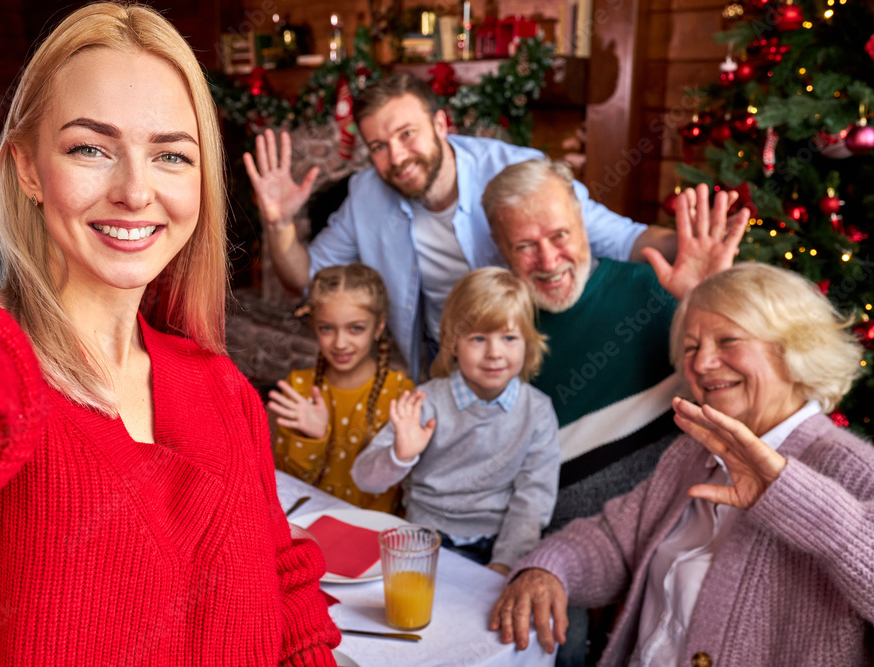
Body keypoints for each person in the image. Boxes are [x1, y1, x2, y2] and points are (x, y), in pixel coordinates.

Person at [0, 4, 339, 665]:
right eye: (90, 148)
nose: (134, 189)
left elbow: (283, 582)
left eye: (171, 154)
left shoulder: (224, 388)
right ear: (28, 169)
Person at [489, 262, 874, 666]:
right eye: (691, 347)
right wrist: (549, 569)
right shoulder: (693, 453)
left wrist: (790, 496)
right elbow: (613, 542)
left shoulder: (852, 467)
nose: (703, 363)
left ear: (794, 348)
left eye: (728, 340)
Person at [243, 73, 680, 379]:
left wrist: (688, 244)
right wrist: (280, 223)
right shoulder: (365, 195)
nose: (396, 157)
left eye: (407, 134)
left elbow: (623, 238)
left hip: (525, 357)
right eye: (379, 145)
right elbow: (305, 280)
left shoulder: (517, 171)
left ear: (440, 124)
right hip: (436, 364)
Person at [483, 158, 745, 664]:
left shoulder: (656, 291)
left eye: (560, 234)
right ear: (501, 250)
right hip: (551, 545)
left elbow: (739, 405)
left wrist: (704, 303)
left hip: (662, 527)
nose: (549, 259)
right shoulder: (498, 325)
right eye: (524, 246)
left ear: (585, 225)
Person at [352, 267, 560, 575]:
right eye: (478, 338)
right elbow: (363, 478)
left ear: (527, 343)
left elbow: (533, 501)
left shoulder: (538, 412)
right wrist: (401, 455)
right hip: (423, 537)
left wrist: (505, 562)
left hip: (497, 546)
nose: (494, 353)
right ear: (452, 342)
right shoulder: (425, 402)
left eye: (509, 337)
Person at [269, 263, 414, 513]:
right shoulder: (299, 388)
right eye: (327, 328)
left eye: (356, 328)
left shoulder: (400, 392)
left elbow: (402, 482)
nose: (340, 343)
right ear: (315, 325)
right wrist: (311, 438)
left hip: (374, 529)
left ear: (379, 325)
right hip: (310, 520)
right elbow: (286, 483)